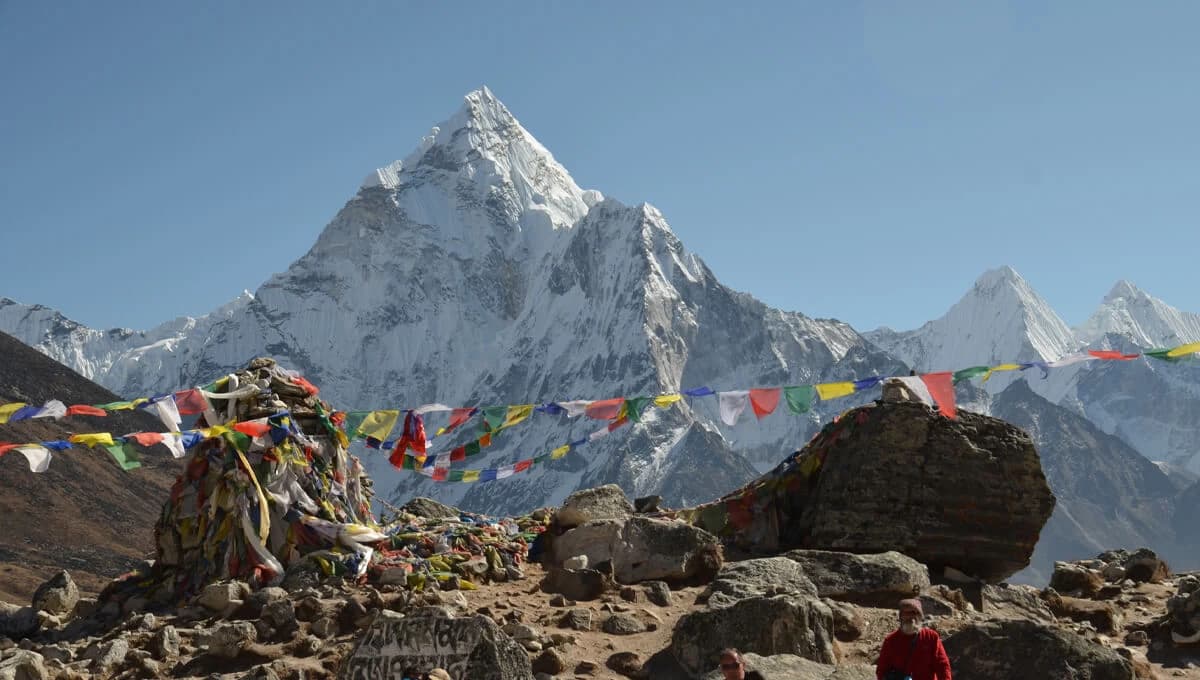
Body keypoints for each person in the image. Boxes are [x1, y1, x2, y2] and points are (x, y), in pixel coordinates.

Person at [875, 599, 952, 680]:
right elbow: (881, 671)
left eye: (914, 613)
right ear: (901, 616)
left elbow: (942, 665)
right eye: (906, 613)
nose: (910, 617)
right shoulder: (891, 641)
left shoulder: (931, 637)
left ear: (920, 616)